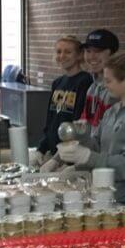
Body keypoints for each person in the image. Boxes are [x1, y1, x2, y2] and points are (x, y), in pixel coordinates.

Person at [57, 53, 125, 218]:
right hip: (113, 191)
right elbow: (99, 146)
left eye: (109, 81)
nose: (104, 85)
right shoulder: (112, 111)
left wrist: (89, 158)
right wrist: (82, 138)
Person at [30, 35, 92, 167]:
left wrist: (61, 159)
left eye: (68, 52)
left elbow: (78, 123)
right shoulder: (57, 83)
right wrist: (41, 149)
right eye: (59, 51)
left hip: (71, 155)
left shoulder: (85, 81)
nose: (62, 56)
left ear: (79, 55)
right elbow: (50, 121)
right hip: (54, 151)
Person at [80, 28, 121, 131]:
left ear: (113, 54)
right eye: (88, 51)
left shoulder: (119, 89)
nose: (91, 56)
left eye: (97, 51)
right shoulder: (92, 88)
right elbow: (85, 125)